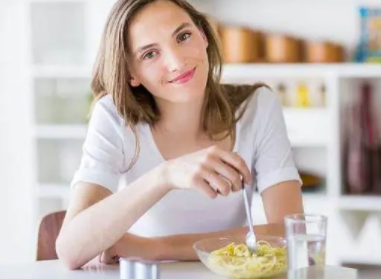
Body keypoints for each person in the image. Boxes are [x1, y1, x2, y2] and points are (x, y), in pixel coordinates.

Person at [56, 0, 304, 270]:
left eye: (183, 36)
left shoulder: (257, 106)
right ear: (131, 73)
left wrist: (155, 248)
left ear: (203, 35)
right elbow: (71, 249)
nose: (177, 62)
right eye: (150, 54)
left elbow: (291, 234)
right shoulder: (115, 116)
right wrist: (165, 175)